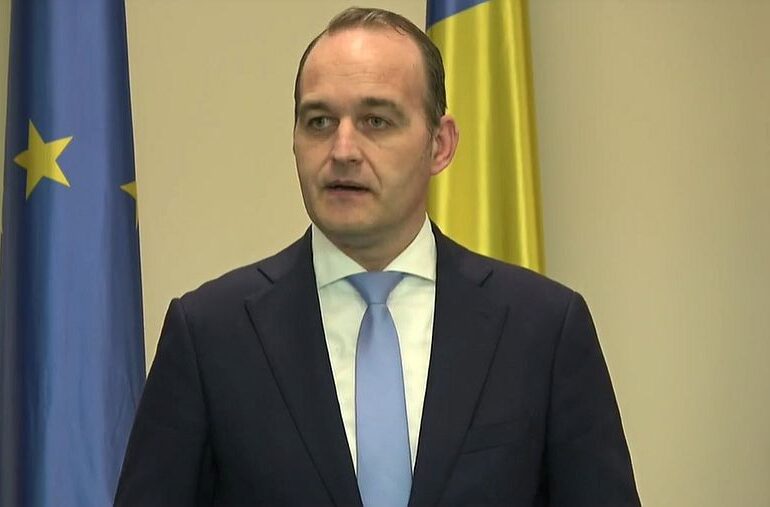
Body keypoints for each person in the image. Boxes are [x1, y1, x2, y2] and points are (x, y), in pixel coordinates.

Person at [116, 7, 640, 506]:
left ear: (440, 145)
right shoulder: (210, 334)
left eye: (376, 121)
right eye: (319, 122)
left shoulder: (544, 329)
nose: (342, 150)